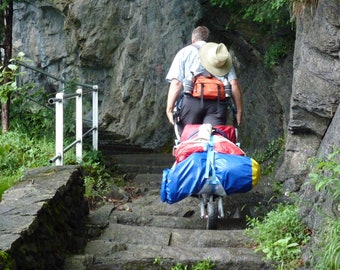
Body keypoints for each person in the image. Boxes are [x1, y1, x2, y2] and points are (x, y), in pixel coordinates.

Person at [165, 26, 243, 135]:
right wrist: (238, 111)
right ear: (208, 39)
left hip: (192, 102)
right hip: (217, 104)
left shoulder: (184, 52)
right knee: (215, 138)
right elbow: (233, 83)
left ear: (193, 39)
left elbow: (176, 83)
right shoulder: (220, 55)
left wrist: (169, 109)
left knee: (190, 138)